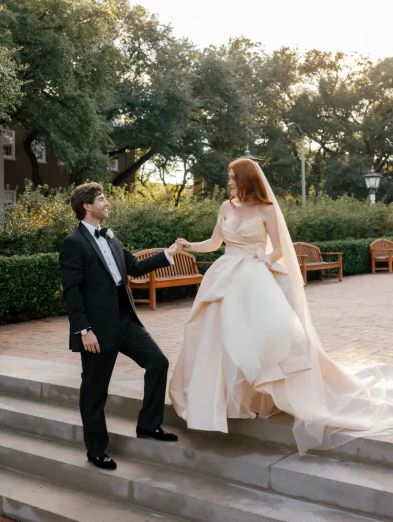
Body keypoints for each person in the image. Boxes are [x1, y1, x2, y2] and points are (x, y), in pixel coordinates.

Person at [169, 158, 393, 455]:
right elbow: (215, 243)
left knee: (264, 335)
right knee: (217, 336)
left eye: (234, 177)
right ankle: (222, 399)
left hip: (253, 277)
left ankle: (261, 395)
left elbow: (278, 249)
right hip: (223, 277)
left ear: (248, 179)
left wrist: (263, 260)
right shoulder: (225, 206)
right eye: (229, 177)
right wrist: (190, 245)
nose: (230, 182)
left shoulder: (267, 209)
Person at [60, 182, 180, 471]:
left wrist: (170, 252)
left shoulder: (112, 239)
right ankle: (97, 450)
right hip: (97, 331)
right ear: (87, 206)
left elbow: (134, 268)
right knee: (94, 392)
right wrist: (84, 330)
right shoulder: (73, 243)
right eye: (102, 199)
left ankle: (148, 426)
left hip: (125, 322)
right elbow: (71, 291)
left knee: (158, 363)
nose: (107, 203)